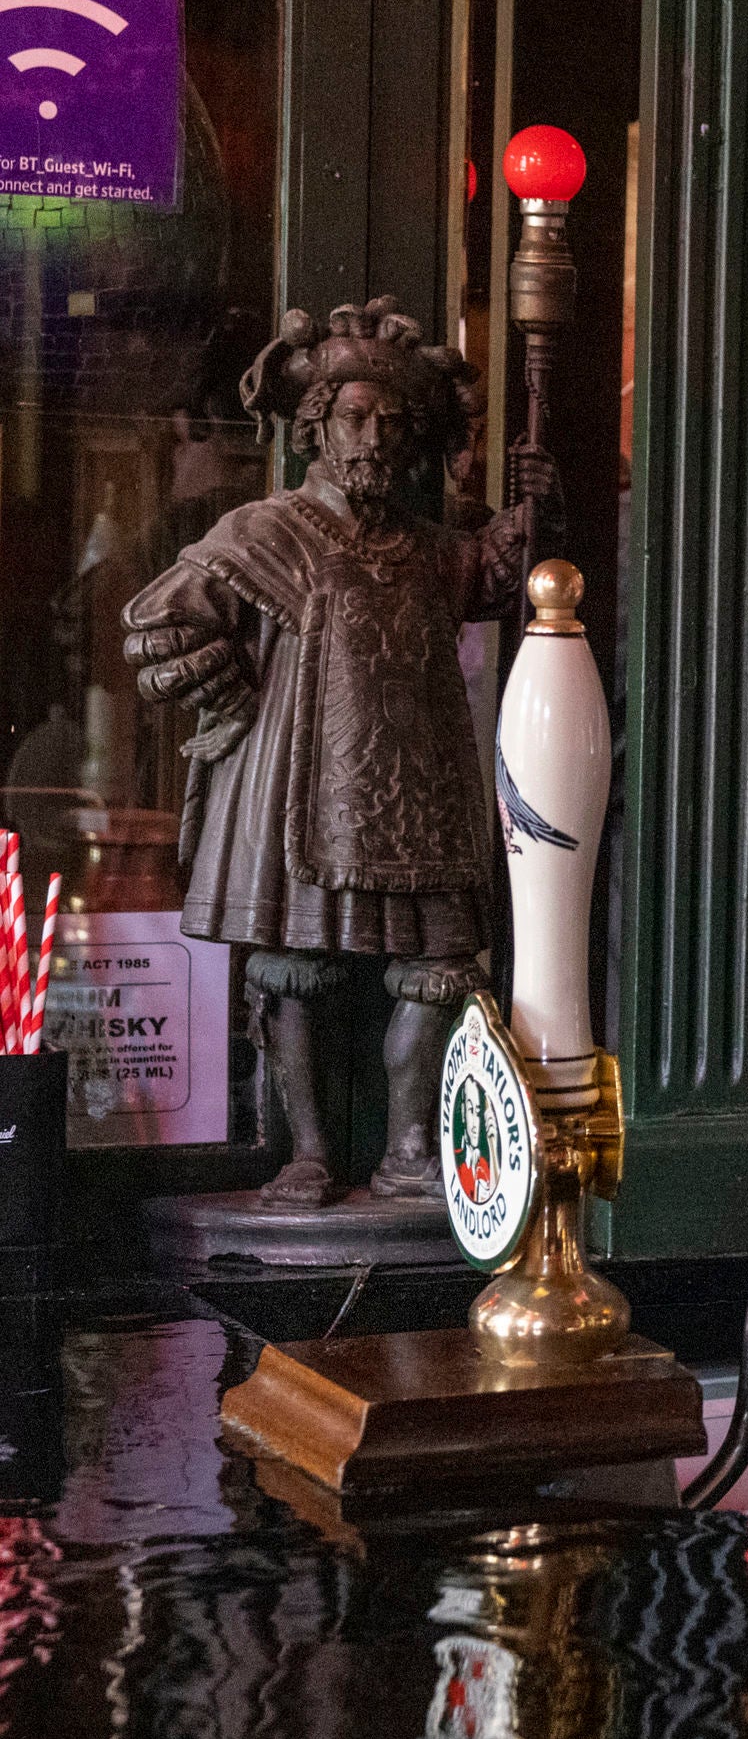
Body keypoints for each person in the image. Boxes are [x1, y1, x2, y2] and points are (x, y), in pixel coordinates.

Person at [120, 301, 551, 1209]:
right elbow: (159, 624)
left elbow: (500, 576)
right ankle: (308, 1152)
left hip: (421, 794)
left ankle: (408, 1150)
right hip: (297, 787)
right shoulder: (266, 533)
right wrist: (237, 705)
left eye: (392, 423)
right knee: (292, 973)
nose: (375, 438)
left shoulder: (430, 551)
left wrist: (531, 513)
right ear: (315, 425)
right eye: (355, 417)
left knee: (437, 976)